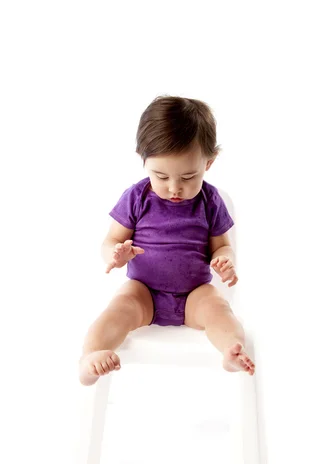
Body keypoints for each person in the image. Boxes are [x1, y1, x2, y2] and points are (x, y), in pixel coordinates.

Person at [78, 95, 255, 386]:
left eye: (188, 176)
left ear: (209, 163)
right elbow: (110, 241)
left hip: (193, 295)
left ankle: (231, 351)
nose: (175, 187)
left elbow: (222, 245)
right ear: (142, 160)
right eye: (160, 176)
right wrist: (115, 255)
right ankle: (90, 357)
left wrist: (225, 260)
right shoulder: (137, 197)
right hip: (144, 292)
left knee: (219, 310)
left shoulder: (210, 201)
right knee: (118, 308)